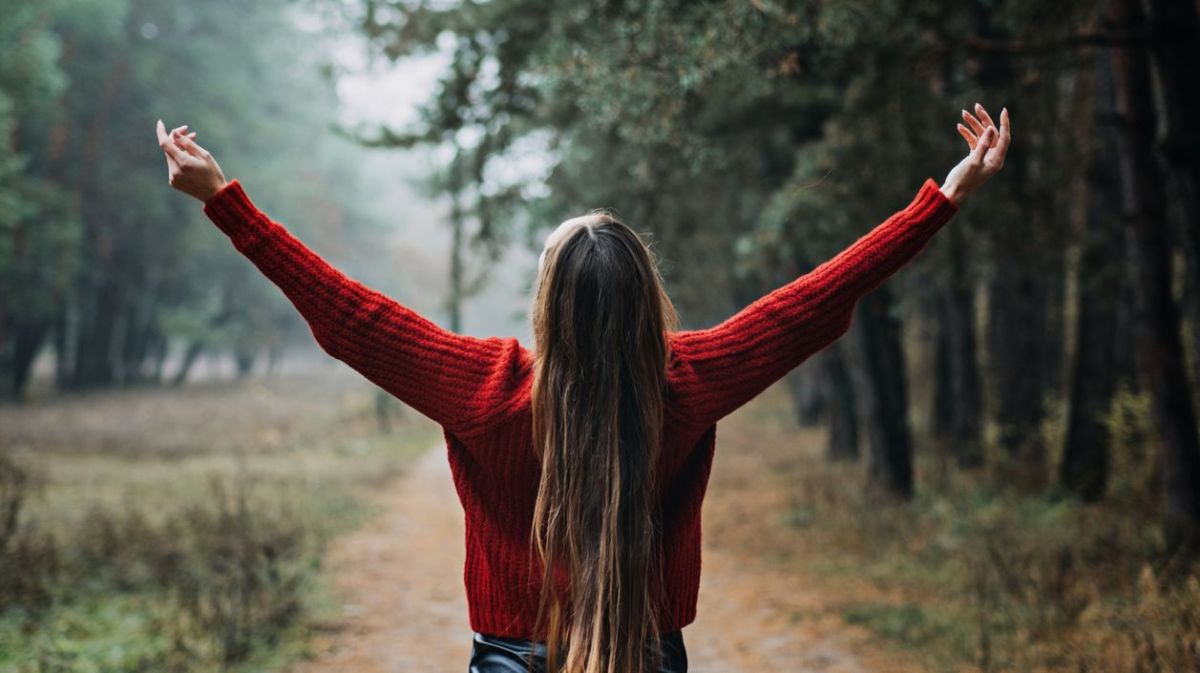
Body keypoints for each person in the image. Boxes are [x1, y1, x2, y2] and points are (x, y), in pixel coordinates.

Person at [155, 103, 1010, 673]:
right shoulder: (686, 380)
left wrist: (225, 200)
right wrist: (942, 200)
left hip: (511, 657)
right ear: (646, 302)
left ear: (546, 305)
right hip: (648, 651)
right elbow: (816, 300)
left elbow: (349, 315)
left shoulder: (483, 389)